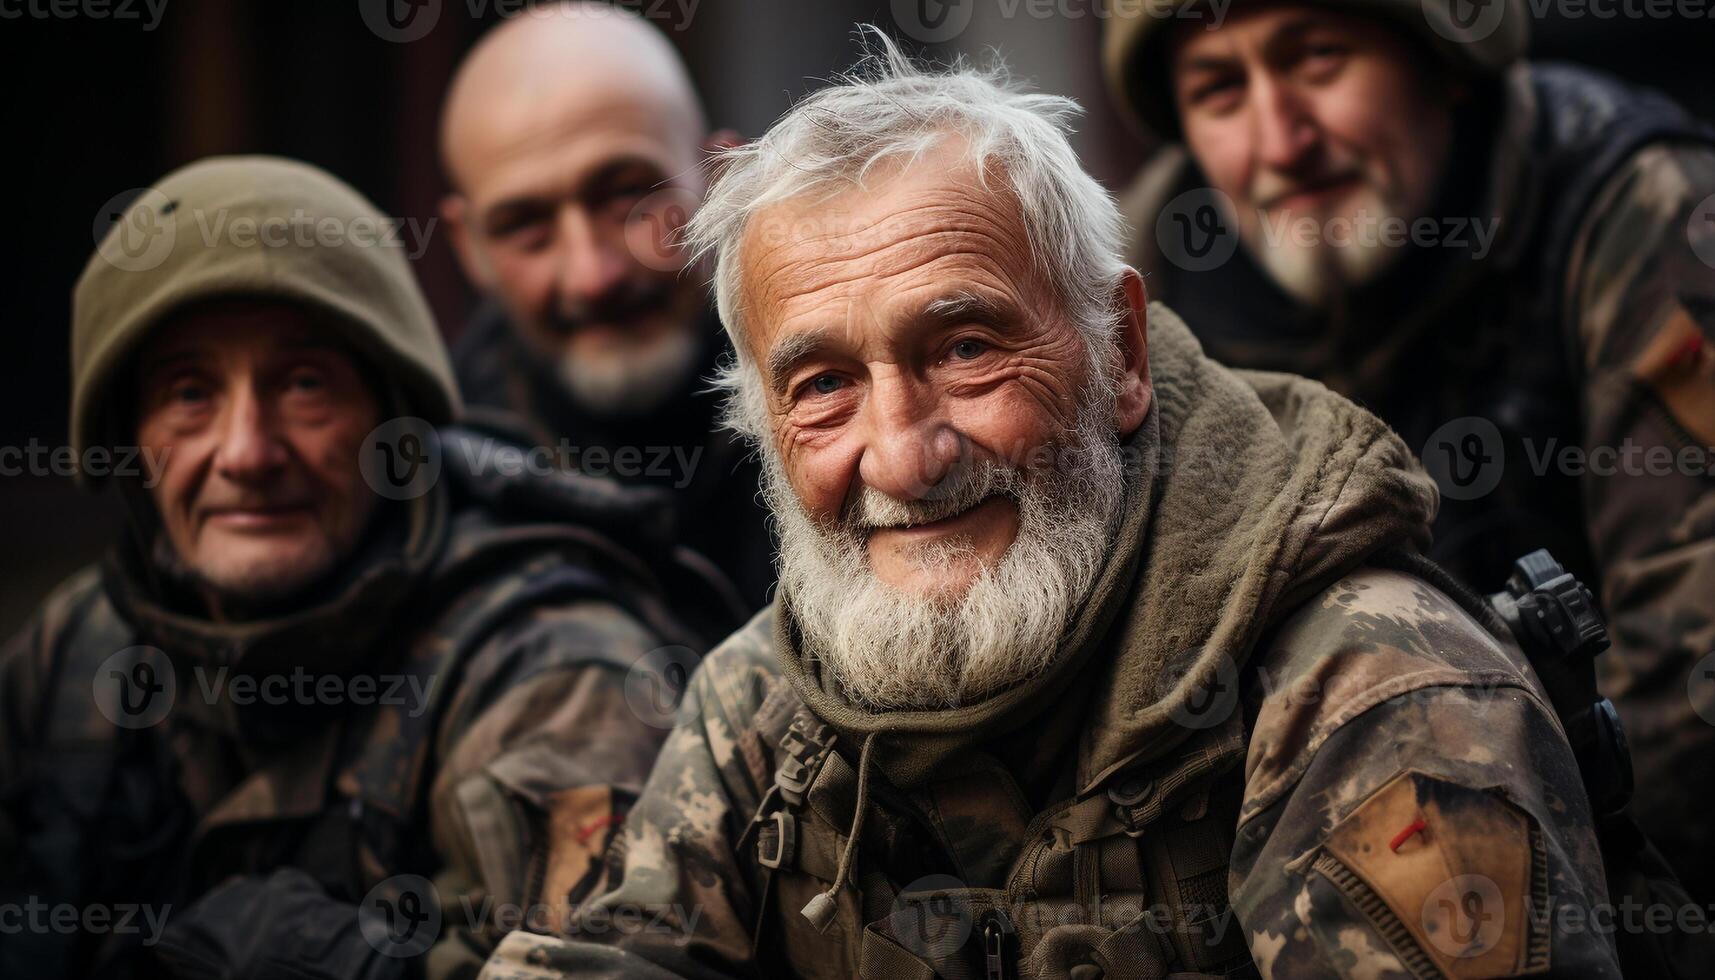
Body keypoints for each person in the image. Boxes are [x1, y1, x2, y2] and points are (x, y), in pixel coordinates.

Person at [479, 38, 1620, 978]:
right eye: (822, 385)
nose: (903, 456)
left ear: (1117, 349)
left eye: (965, 349)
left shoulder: (1372, 689)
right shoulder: (762, 697)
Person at [0, 156, 720, 979]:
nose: (246, 453)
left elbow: (618, 962)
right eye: (189, 394)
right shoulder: (81, 645)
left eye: (305, 386)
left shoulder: (548, 669)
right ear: (130, 439)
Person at [1105, 0, 1715, 899]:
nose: (1280, 143)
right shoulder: (1149, 282)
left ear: (1445, 60)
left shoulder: (1644, 212)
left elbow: (1691, 672)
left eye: (1317, 58)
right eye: (1219, 89)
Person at [439, 1, 771, 619]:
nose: (594, 276)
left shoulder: (855, 418)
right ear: (470, 248)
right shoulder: (431, 502)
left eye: (627, 195)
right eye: (526, 227)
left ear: (722, 179)